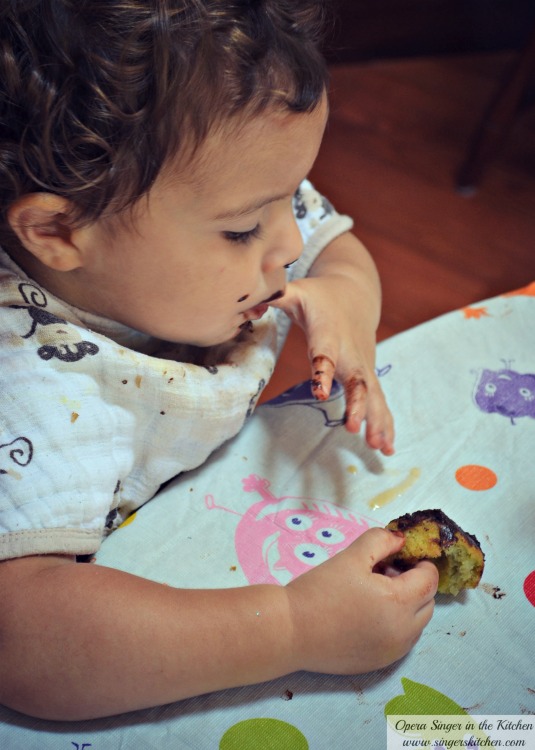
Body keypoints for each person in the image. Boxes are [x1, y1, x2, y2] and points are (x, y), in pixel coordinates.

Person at [0, 0, 438, 721]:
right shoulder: (32, 388)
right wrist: (293, 626)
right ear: (56, 229)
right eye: (242, 231)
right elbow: (26, 643)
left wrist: (345, 300)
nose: (290, 243)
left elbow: (331, 246)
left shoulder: (214, 185)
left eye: (286, 202)